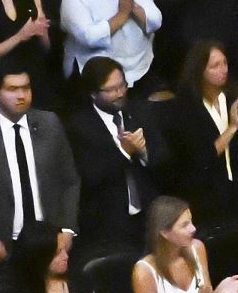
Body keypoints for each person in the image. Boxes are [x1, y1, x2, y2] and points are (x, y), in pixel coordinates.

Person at [0, 65, 78, 263]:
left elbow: (70, 180)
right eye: (12, 89)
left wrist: (68, 228)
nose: (22, 95)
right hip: (3, 243)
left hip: (50, 239)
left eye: (26, 88)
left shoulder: (50, 123)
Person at [68, 58, 171, 256]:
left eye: (122, 85)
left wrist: (143, 151)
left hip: (148, 217)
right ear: (93, 93)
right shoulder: (79, 127)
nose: (120, 93)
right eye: (111, 90)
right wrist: (124, 151)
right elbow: (90, 176)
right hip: (109, 224)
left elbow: (164, 158)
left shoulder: (140, 111)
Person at [168, 40, 238, 223]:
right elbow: (203, 156)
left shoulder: (235, 94)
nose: (223, 70)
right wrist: (232, 127)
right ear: (200, 70)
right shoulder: (186, 107)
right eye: (215, 66)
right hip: (207, 191)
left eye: (225, 63)